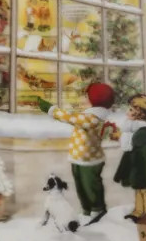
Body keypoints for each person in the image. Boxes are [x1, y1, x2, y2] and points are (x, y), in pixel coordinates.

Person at [48, 82, 115, 225]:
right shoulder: (89, 116)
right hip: (79, 158)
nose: (84, 99)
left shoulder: (93, 118)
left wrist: (54, 112)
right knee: (81, 186)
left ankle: (97, 209)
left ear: (95, 100)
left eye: (86, 96)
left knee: (90, 186)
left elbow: (72, 118)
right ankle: (86, 210)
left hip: (89, 161)